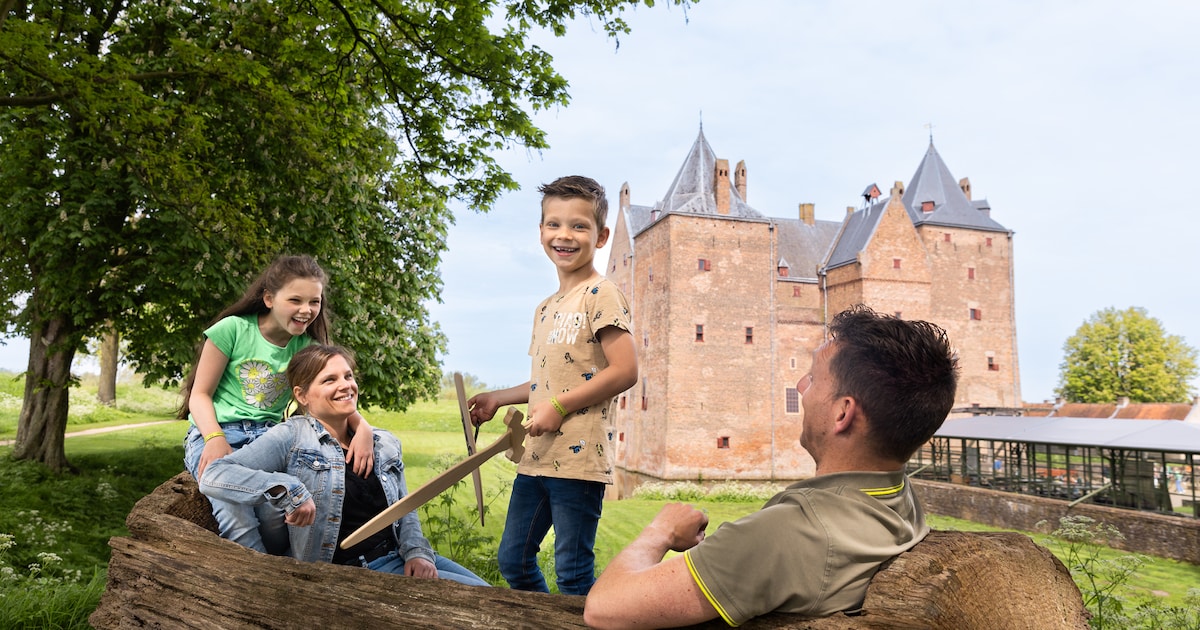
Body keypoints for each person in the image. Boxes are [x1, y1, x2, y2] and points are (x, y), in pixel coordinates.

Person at [584, 305, 960, 628]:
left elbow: (605, 608)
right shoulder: (898, 499)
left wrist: (661, 530)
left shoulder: (788, 535)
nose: (799, 385)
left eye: (813, 379)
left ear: (842, 412)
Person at [467, 175, 638, 595]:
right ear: (541, 231)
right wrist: (498, 398)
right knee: (513, 560)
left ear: (601, 237)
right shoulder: (545, 308)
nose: (565, 235)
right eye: (554, 224)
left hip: (579, 463)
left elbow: (625, 370)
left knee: (573, 572)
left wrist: (559, 408)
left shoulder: (603, 294)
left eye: (579, 226)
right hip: (537, 457)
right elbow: (547, 380)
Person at [199, 344, 489, 586]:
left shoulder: (384, 442)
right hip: (355, 571)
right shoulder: (292, 436)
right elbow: (214, 474)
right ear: (302, 395)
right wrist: (288, 488)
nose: (345, 386)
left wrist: (418, 553)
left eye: (348, 376)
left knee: (493, 596)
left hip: (403, 555)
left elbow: (405, 509)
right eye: (329, 380)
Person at [179, 254, 375, 554]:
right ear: (269, 298)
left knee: (276, 517)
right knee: (236, 516)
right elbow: (200, 394)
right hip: (218, 432)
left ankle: (278, 577)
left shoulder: (307, 348)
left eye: (315, 302)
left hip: (269, 438)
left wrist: (363, 428)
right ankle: (258, 588)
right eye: (295, 300)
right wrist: (214, 438)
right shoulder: (231, 330)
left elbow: (332, 396)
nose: (306, 310)